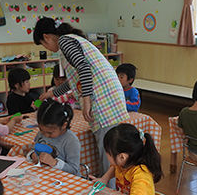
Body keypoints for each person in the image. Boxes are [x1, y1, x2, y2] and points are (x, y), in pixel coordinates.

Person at [33, 18, 128, 174]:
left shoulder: (64, 41)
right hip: (107, 96)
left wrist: (87, 101)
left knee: (108, 153)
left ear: (47, 37)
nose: (47, 48)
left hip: (103, 99)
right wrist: (52, 93)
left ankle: (110, 193)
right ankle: (110, 189)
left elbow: (83, 69)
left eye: (43, 44)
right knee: (109, 150)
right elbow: (74, 80)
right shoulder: (71, 40)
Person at [89, 124, 162, 195]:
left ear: (122, 157)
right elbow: (114, 167)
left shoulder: (141, 173)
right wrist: (104, 179)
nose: (106, 154)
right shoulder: (124, 162)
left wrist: (109, 193)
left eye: (108, 152)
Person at [27, 99, 81, 176]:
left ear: (64, 125)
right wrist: (32, 155)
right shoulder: (41, 134)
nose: (45, 135)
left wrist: (54, 162)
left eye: (50, 132)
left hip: (65, 180)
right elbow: (33, 149)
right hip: (46, 176)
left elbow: (74, 170)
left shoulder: (71, 141)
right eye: (41, 130)